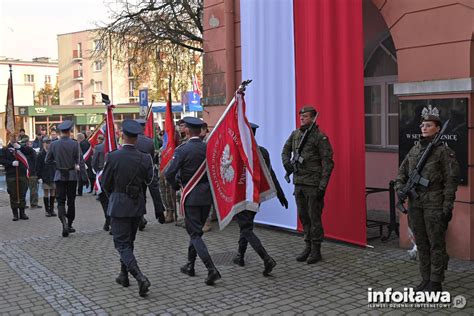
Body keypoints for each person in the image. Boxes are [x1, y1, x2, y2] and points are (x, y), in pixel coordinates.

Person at [394, 107, 459, 292]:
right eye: (422, 125)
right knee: (421, 242)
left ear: (437, 129)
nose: (423, 127)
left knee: (436, 243)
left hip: (434, 203)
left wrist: (447, 206)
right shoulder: (415, 149)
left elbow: (450, 182)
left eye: (428, 125)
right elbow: (401, 173)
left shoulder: (443, 152)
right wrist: (400, 189)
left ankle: (436, 281)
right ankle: (425, 278)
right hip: (416, 204)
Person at [101, 119, 160, 297]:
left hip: (119, 205)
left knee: (122, 244)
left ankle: (140, 277)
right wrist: (159, 207)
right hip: (137, 206)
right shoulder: (145, 157)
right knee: (129, 243)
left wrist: (115, 195)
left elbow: (105, 184)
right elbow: (151, 182)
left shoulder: (112, 156)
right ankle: (123, 275)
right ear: (137, 137)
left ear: (123, 136)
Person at [165, 116, 221, 286]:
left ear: (188, 130)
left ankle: (211, 269)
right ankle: (190, 265)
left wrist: (176, 185)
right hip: (207, 196)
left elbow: (169, 173)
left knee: (195, 234)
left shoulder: (182, 150)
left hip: (191, 196)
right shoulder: (208, 148)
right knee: (195, 231)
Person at [232, 123, 288, 276]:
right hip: (256, 198)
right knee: (245, 225)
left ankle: (267, 259)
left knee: (246, 228)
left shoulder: (237, 152)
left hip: (241, 197)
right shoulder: (262, 151)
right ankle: (240, 256)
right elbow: (271, 174)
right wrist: (280, 193)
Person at [282, 106, 334, 264]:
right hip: (299, 183)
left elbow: (328, 163)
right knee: (303, 216)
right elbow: (285, 150)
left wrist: (322, 186)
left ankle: (316, 249)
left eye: (305, 116)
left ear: (312, 118)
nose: (302, 118)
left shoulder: (320, 137)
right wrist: (287, 164)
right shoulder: (296, 134)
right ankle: (308, 245)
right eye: (301, 116)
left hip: (313, 184)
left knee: (314, 217)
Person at [45, 120, 84, 237]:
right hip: (72, 175)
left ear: (60, 131)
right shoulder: (74, 143)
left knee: (61, 201)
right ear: (70, 131)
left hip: (59, 175)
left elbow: (47, 160)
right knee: (71, 202)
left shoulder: (53, 144)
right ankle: (70, 224)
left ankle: (64, 223)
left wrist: (57, 162)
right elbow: (79, 161)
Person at [135, 119, 165, 228]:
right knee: (155, 191)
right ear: (143, 128)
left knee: (140, 195)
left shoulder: (133, 140)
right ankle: (160, 212)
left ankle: (140, 217)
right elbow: (151, 157)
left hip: (135, 172)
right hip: (148, 170)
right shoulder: (149, 141)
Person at [0, 133, 34, 221]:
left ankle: (22, 213)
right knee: (13, 194)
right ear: (9, 138)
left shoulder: (21, 148)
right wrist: (11, 163)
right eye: (12, 137)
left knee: (22, 193)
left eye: (15, 137)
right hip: (11, 175)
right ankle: (15, 214)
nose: (14, 138)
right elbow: (2, 160)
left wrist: (20, 147)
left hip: (22, 174)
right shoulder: (5, 149)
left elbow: (31, 151)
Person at [36, 136, 57, 217]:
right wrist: (39, 177)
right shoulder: (41, 154)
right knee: (46, 193)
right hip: (45, 176)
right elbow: (38, 167)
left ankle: (52, 210)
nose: (49, 144)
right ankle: (47, 210)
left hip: (53, 175)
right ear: (43, 144)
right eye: (47, 143)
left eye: (50, 143)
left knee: (53, 193)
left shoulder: (53, 153)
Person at [25, 141, 42, 209]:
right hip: (32, 173)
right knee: (33, 189)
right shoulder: (33, 152)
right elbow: (36, 162)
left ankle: (23, 204)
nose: (30, 145)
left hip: (26, 173)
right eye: (29, 144)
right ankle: (34, 203)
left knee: (25, 189)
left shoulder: (24, 153)